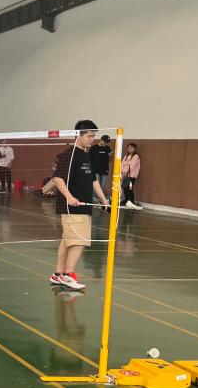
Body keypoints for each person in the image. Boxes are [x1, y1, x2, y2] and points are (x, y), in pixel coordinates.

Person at [49, 120, 110, 291]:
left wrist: (104, 201)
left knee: (67, 241)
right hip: (72, 207)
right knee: (79, 241)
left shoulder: (85, 155)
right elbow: (58, 179)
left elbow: (93, 180)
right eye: (89, 136)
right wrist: (69, 197)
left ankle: (58, 274)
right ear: (79, 135)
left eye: (93, 136)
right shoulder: (68, 155)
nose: (92, 139)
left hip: (84, 206)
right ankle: (68, 275)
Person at [121, 143, 143, 210]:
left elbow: (132, 166)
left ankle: (131, 202)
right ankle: (127, 202)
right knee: (125, 188)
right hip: (125, 176)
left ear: (135, 149)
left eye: (131, 148)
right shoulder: (126, 156)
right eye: (128, 148)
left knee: (129, 189)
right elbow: (121, 164)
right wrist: (123, 172)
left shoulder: (136, 156)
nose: (130, 149)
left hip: (131, 176)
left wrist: (125, 171)